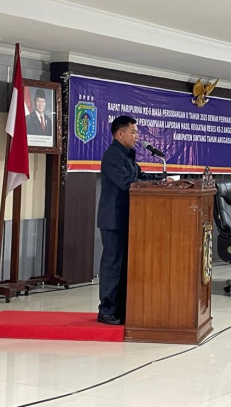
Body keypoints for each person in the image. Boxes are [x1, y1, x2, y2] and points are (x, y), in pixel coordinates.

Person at [96, 115, 142, 325]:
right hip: (113, 219)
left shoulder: (128, 156)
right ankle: (106, 310)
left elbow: (139, 177)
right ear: (120, 133)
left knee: (123, 266)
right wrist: (147, 184)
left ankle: (120, 309)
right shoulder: (113, 156)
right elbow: (127, 183)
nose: (136, 136)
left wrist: (161, 180)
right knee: (112, 265)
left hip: (127, 219)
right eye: (133, 132)